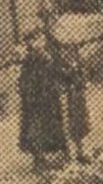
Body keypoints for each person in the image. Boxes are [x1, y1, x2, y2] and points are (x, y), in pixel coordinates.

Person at [18, 30, 68, 169]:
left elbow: (54, 72)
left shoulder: (46, 56)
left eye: (39, 40)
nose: (38, 43)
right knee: (36, 128)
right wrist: (29, 93)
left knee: (49, 125)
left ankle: (52, 156)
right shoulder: (30, 59)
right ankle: (38, 158)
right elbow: (26, 80)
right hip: (35, 97)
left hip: (48, 95)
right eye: (33, 41)